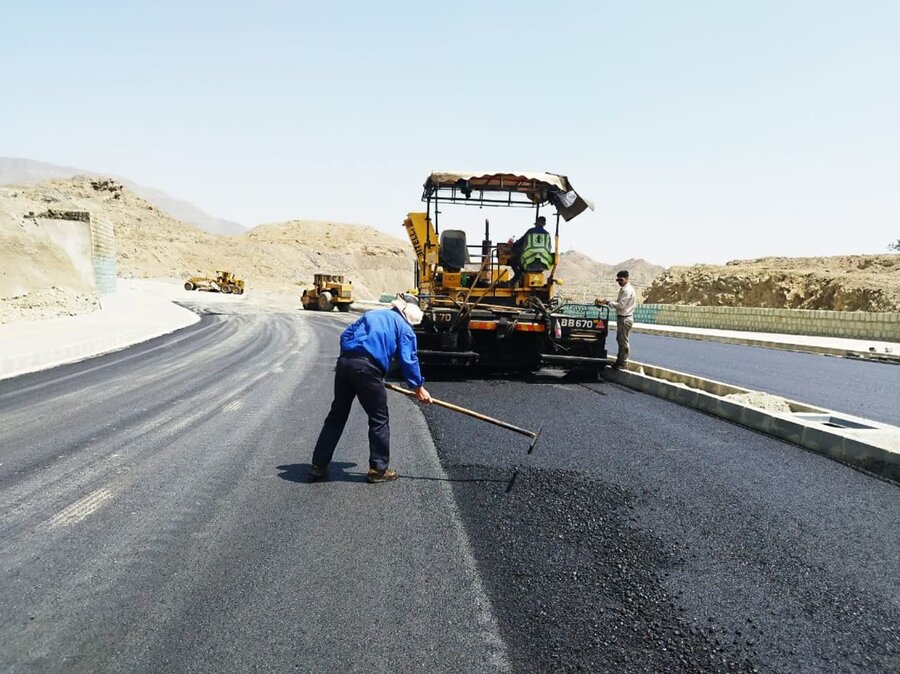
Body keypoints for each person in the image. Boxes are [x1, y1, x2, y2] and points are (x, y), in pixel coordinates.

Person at [309, 297, 432, 483]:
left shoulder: (372, 315)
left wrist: (351, 361)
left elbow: (345, 336)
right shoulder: (404, 327)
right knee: (379, 418)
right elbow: (409, 359)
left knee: (337, 415)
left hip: (345, 364)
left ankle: (318, 465)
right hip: (368, 368)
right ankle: (378, 470)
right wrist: (418, 387)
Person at [595, 270, 636, 368]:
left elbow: (621, 306)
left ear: (627, 278)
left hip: (625, 318)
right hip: (623, 318)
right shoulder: (624, 289)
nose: (619, 282)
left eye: (621, 280)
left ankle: (623, 363)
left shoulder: (627, 290)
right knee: (621, 340)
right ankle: (620, 361)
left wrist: (606, 302)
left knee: (623, 342)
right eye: (618, 280)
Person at [509, 215, 553, 286]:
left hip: (529, 261)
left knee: (513, 260)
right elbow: (549, 247)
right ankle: (519, 279)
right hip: (543, 262)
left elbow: (520, 242)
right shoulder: (547, 234)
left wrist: (513, 245)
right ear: (544, 224)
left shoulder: (530, 231)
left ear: (536, 223)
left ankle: (517, 276)